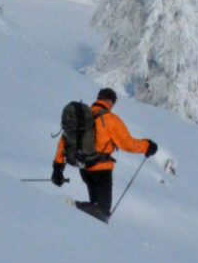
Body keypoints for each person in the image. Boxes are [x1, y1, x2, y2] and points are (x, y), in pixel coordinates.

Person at [53, 87, 158, 221]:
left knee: (95, 210)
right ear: (110, 102)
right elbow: (128, 144)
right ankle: (72, 207)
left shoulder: (83, 117)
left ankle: (84, 222)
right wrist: (147, 145)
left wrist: (57, 168)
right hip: (102, 171)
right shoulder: (110, 119)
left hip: (85, 168)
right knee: (102, 212)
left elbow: (64, 141)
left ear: (98, 98)